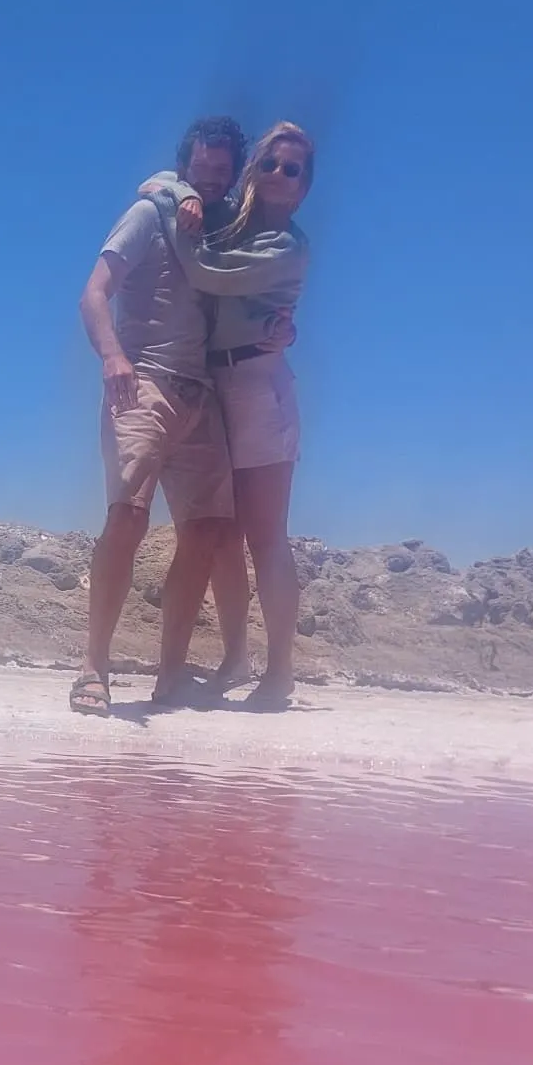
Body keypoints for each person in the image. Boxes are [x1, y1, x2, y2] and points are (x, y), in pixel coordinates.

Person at [70, 117, 252, 714]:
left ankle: (170, 674)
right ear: (187, 163)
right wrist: (112, 355)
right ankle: (91, 669)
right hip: (143, 382)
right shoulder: (149, 214)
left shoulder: (220, 230)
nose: (215, 177)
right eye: (204, 166)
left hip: (203, 398)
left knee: (205, 532)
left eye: (224, 169)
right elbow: (95, 291)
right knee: (128, 517)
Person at [139, 122, 316, 708]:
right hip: (214, 384)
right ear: (252, 171)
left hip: (260, 389)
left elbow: (207, 273)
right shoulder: (228, 221)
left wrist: (167, 206)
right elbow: (170, 180)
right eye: (270, 163)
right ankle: (236, 656)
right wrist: (175, 188)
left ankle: (280, 672)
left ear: (304, 186)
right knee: (222, 534)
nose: (278, 176)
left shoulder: (286, 246)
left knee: (266, 536)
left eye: (293, 170)